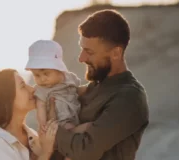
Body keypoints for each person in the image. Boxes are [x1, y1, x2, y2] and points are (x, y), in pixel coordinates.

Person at [43, 9, 149, 160]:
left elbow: (85, 150)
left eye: (89, 52)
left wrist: (50, 130)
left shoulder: (129, 97)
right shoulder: (96, 86)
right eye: (82, 49)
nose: (81, 58)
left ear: (116, 53)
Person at [0, 69, 57, 160]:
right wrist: (45, 153)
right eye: (23, 86)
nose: (32, 89)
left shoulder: (33, 136)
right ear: (6, 100)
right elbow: (46, 153)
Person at [25, 40, 88, 133]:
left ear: (58, 69)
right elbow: (41, 106)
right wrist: (42, 123)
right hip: (60, 120)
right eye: (37, 75)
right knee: (72, 128)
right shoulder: (41, 90)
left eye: (46, 73)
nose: (42, 79)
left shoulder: (70, 78)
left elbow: (78, 90)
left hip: (76, 112)